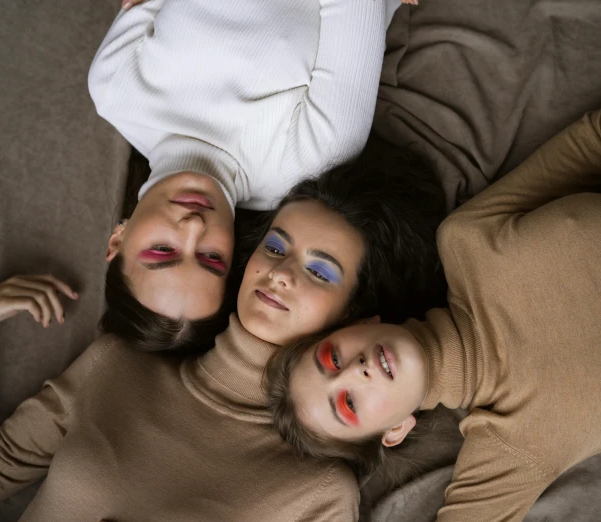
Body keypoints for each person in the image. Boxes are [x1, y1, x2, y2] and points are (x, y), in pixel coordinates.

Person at [265, 101, 601, 521]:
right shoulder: (510, 447)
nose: (355, 371)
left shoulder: (468, 240)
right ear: (395, 431)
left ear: (358, 324)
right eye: (348, 404)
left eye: (331, 359)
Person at [0, 139, 447, 520]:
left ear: (354, 317)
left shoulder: (317, 493)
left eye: (320, 273)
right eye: (276, 248)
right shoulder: (114, 366)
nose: (280, 274)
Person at [87, 0, 404, 346]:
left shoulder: (114, 88)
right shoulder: (308, 163)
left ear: (118, 238)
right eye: (212, 257)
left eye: (163, 249)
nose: (194, 226)